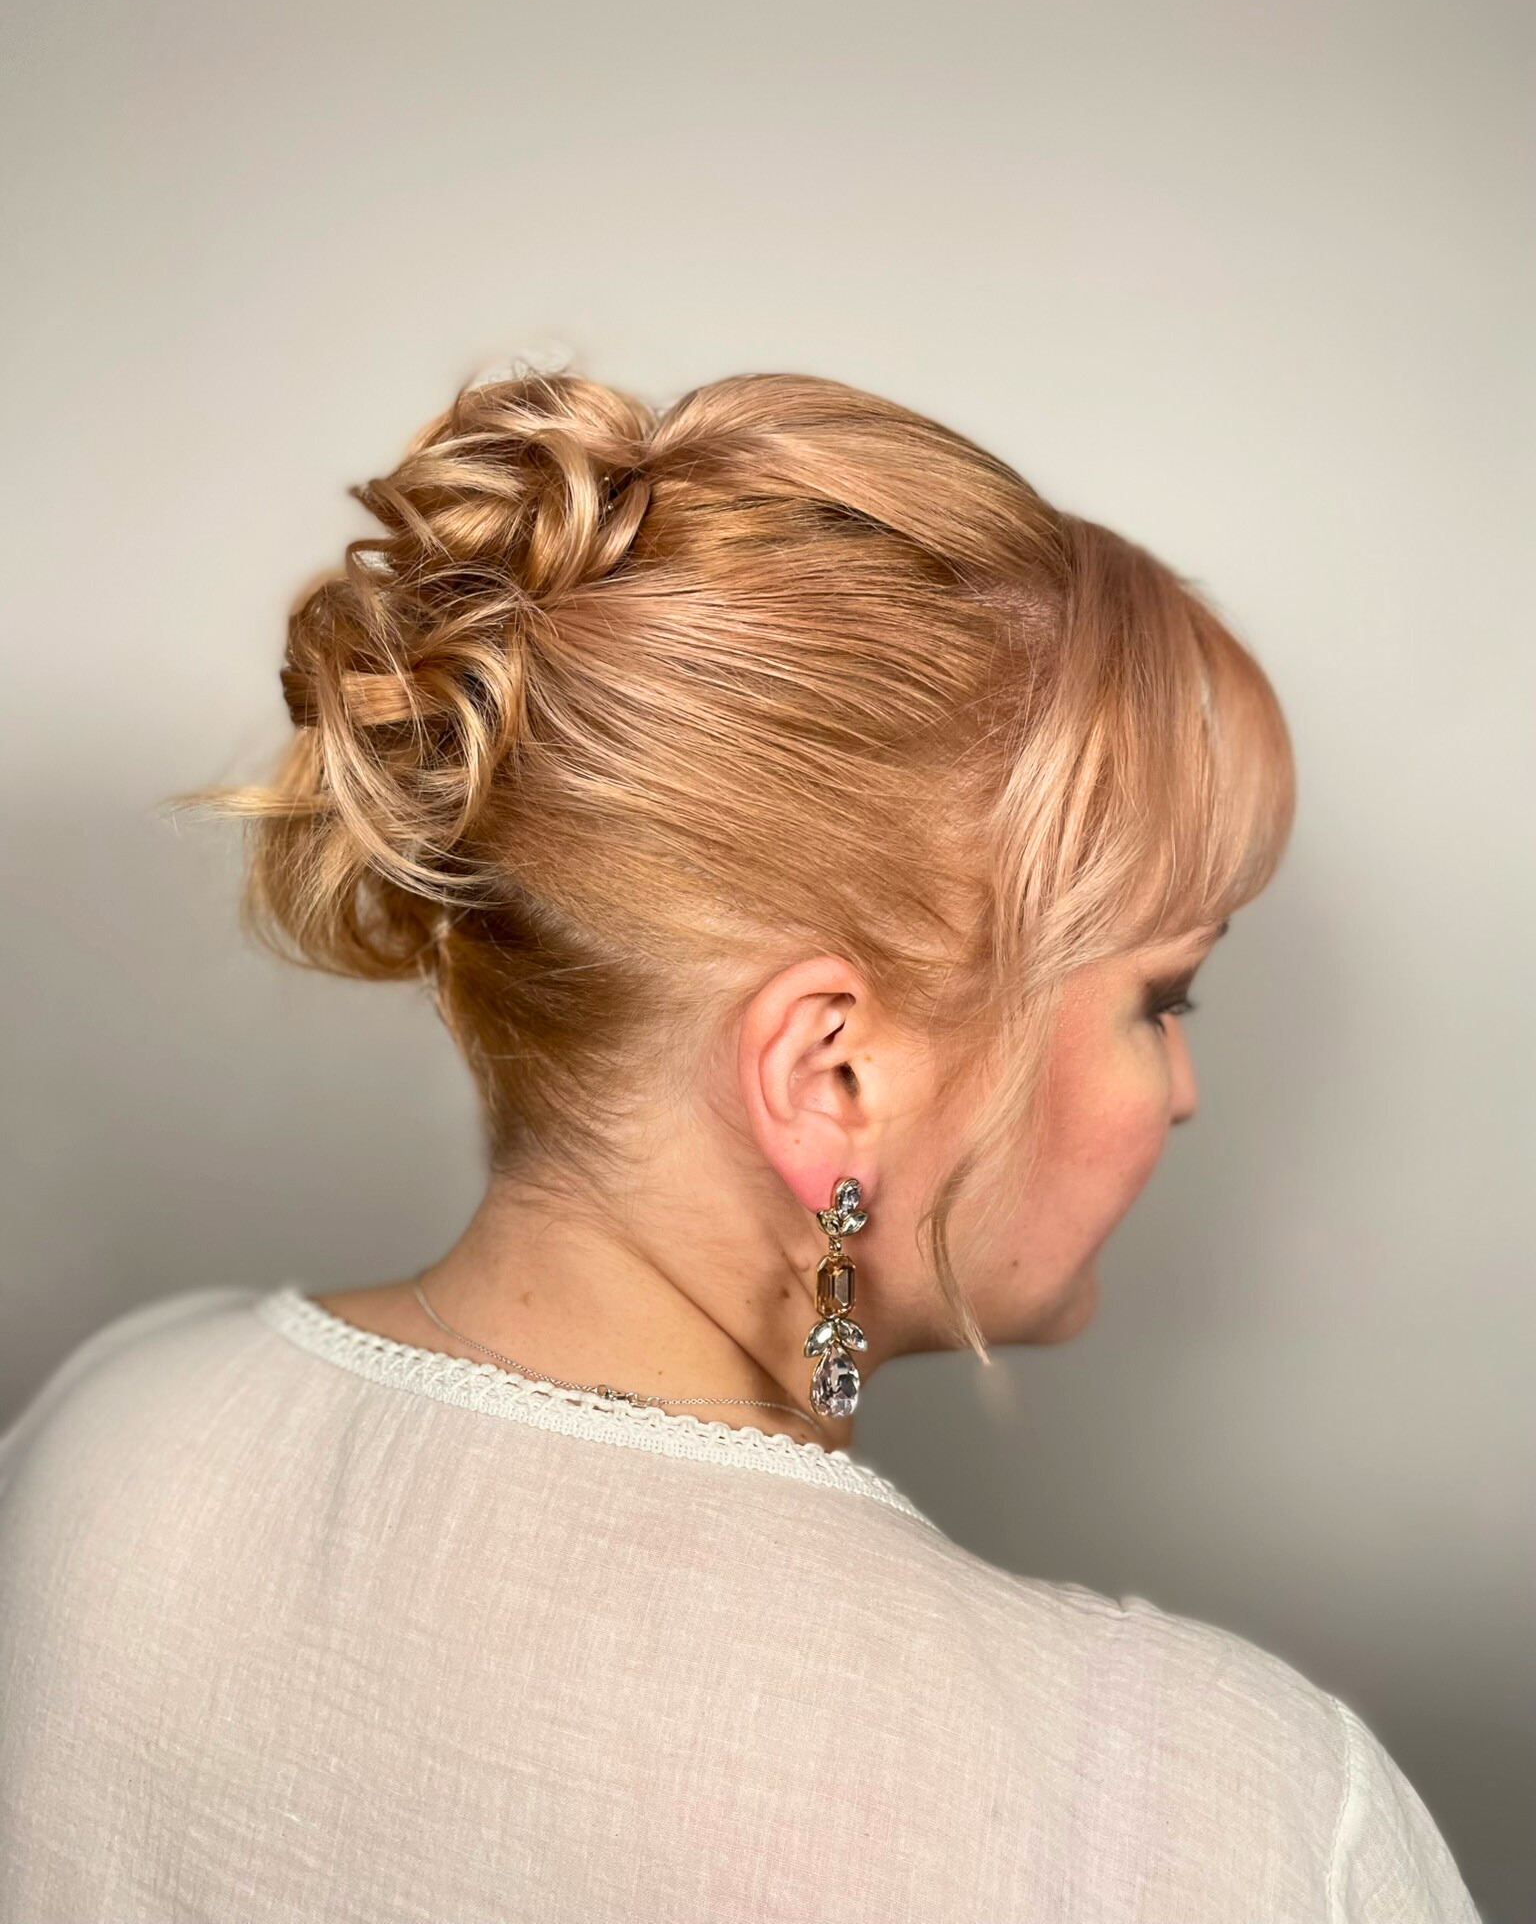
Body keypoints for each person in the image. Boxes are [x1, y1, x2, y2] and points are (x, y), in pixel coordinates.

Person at [0, 367, 1480, 1922]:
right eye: (1163, 996)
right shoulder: (1220, 1818)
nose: (1180, 1090)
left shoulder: (108, 1434)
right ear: (831, 1075)